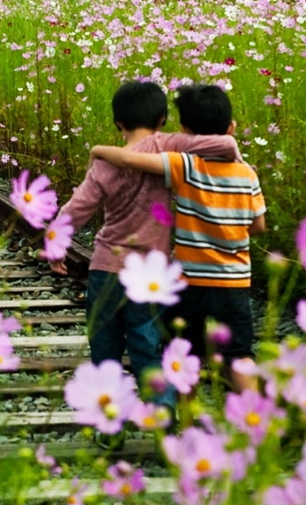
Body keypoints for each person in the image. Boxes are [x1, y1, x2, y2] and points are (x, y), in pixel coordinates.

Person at [50, 81, 243, 419]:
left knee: (105, 349)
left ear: (118, 123)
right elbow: (225, 144)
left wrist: (56, 244)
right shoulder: (169, 146)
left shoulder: (105, 164)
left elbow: (76, 208)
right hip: (150, 277)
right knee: (148, 346)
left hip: (107, 268)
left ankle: (108, 424)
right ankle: (162, 412)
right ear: (162, 119)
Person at [90, 84, 266, 393]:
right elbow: (258, 225)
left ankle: (184, 416)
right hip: (234, 281)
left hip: (190, 280)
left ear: (184, 129)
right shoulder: (247, 174)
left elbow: (129, 160)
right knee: (239, 354)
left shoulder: (185, 165)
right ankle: (255, 412)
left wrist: (98, 151)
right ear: (231, 127)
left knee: (184, 354)